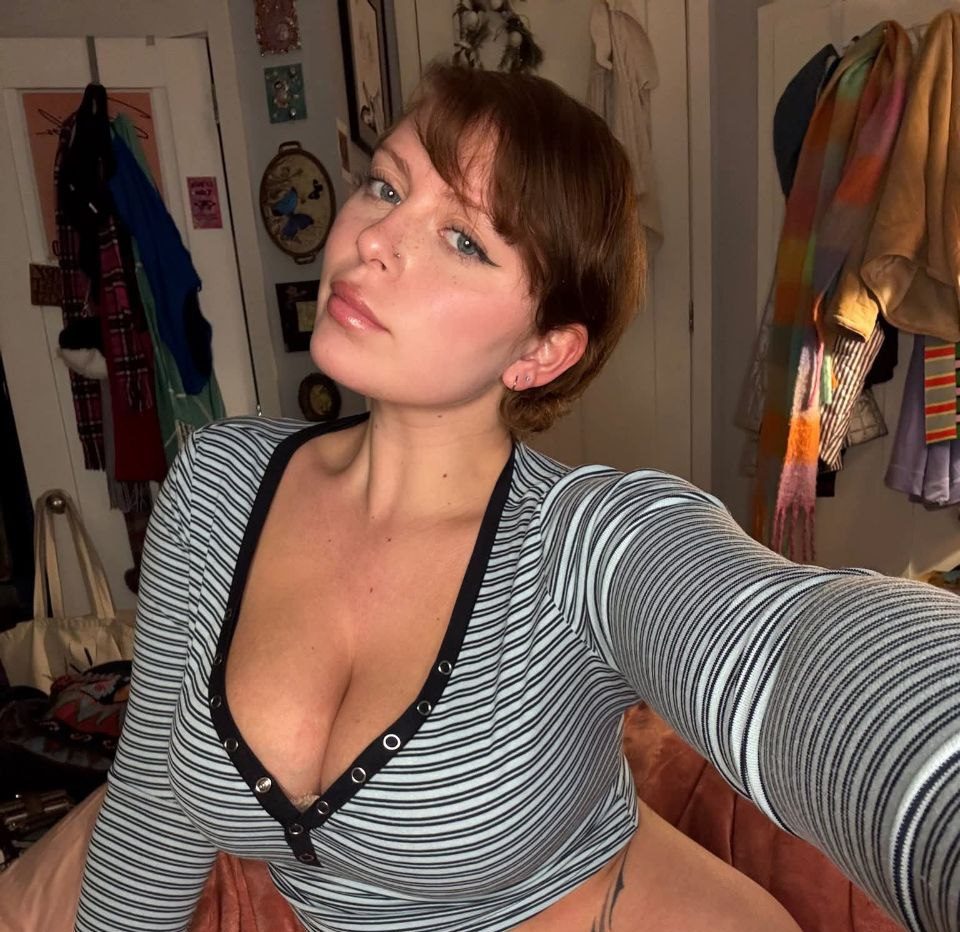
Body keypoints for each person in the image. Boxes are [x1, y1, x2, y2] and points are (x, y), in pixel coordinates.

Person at [74, 64, 959, 932]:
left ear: (542, 352)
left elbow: (789, 653)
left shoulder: (585, 543)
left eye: (464, 240)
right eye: (385, 186)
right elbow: (151, 815)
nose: (373, 241)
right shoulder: (217, 482)